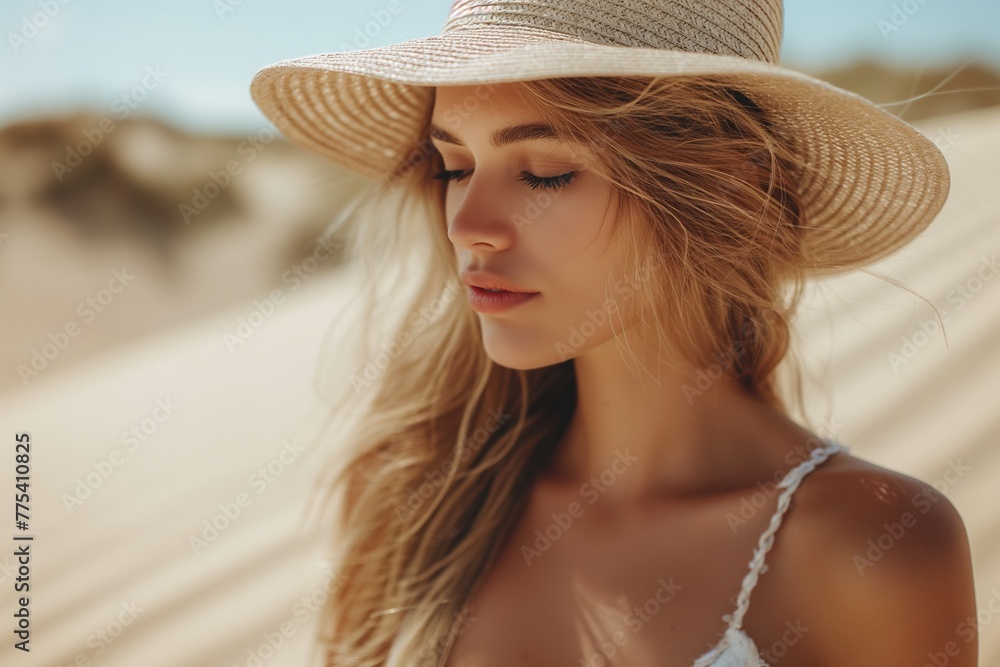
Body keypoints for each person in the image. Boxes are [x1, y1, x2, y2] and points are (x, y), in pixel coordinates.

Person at [250, 1, 978, 665]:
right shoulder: (411, 495)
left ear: (734, 185)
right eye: (456, 165)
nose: (469, 226)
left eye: (542, 173)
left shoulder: (875, 547)